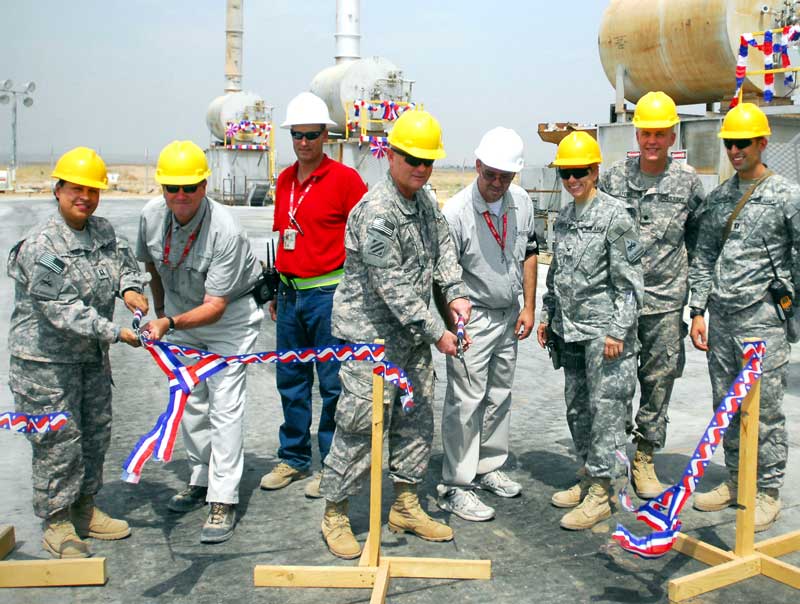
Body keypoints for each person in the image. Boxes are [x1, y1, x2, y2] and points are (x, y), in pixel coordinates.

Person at [318, 109, 471, 559]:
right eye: (411, 159)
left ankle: (405, 503)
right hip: (372, 341)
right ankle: (335, 513)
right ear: (390, 155)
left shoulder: (425, 203)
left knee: (416, 421)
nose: (420, 168)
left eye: (427, 161)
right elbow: (394, 290)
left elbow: (444, 253)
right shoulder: (377, 212)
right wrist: (438, 331)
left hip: (412, 343)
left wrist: (456, 294)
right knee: (358, 428)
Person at [7, 147, 148, 558]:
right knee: (58, 441)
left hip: (89, 359)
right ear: (58, 189)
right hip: (45, 366)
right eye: (75, 189)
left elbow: (125, 265)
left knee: (95, 434)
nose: (84, 196)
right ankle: (58, 521)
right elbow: (61, 309)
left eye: (92, 190)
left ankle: (85, 508)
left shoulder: (102, 232)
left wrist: (130, 289)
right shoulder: (42, 247)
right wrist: (116, 332)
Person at [137, 140, 264, 544]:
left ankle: (223, 497)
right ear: (161, 188)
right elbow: (153, 268)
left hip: (228, 318)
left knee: (224, 404)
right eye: (171, 187)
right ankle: (200, 477)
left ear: (204, 186)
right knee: (190, 399)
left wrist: (168, 321)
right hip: (178, 313)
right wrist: (163, 316)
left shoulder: (225, 229)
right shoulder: (150, 218)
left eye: (188, 188)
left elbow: (215, 307)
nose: (180, 196)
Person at [689, 103, 800, 532]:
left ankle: (767, 490)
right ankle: (737, 481)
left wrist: (787, 303)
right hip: (722, 321)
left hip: (763, 324)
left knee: (766, 411)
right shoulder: (719, 199)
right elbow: (703, 257)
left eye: (743, 143)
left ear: (762, 143)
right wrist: (697, 310)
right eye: (730, 144)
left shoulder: (787, 196)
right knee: (726, 407)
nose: (735, 150)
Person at [260, 92, 367, 499]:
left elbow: (361, 241)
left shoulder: (345, 181)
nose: (303, 143)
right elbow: (286, 239)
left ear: (326, 134)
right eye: (297, 136)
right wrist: (276, 289)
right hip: (289, 297)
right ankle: (293, 457)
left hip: (328, 296)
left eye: (311, 135)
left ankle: (330, 463)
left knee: (333, 384)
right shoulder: (285, 180)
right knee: (290, 379)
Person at [599, 91, 705, 499]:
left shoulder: (688, 182)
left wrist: (696, 306)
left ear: (673, 135)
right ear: (637, 134)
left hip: (664, 304)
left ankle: (644, 457)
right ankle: (611, 459)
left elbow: (698, 243)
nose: (652, 141)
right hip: (620, 304)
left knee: (658, 382)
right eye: (646, 133)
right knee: (615, 384)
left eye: (660, 134)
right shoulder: (613, 178)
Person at [536, 132, 643, 530]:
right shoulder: (564, 217)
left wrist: (618, 331)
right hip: (571, 331)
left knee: (608, 412)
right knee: (578, 407)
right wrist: (549, 316)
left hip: (605, 336)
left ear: (595, 171)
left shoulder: (616, 217)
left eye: (579, 171)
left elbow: (630, 284)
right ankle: (588, 473)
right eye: (565, 172)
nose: (571, 179)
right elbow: (557, 274)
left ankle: (603, 490)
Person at [435, 127, 538, 522]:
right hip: (471, 318)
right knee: (465, 401)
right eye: (490, 174)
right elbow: (443, 275)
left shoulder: (522, 203)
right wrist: (452, 328)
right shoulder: (456, 212)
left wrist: (528, 306)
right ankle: (456, 484)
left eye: (505, 177)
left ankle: (489, 465)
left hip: (508, 314)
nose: (497, 184)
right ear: (477, 165)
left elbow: (529, 251)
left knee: (499, 395)